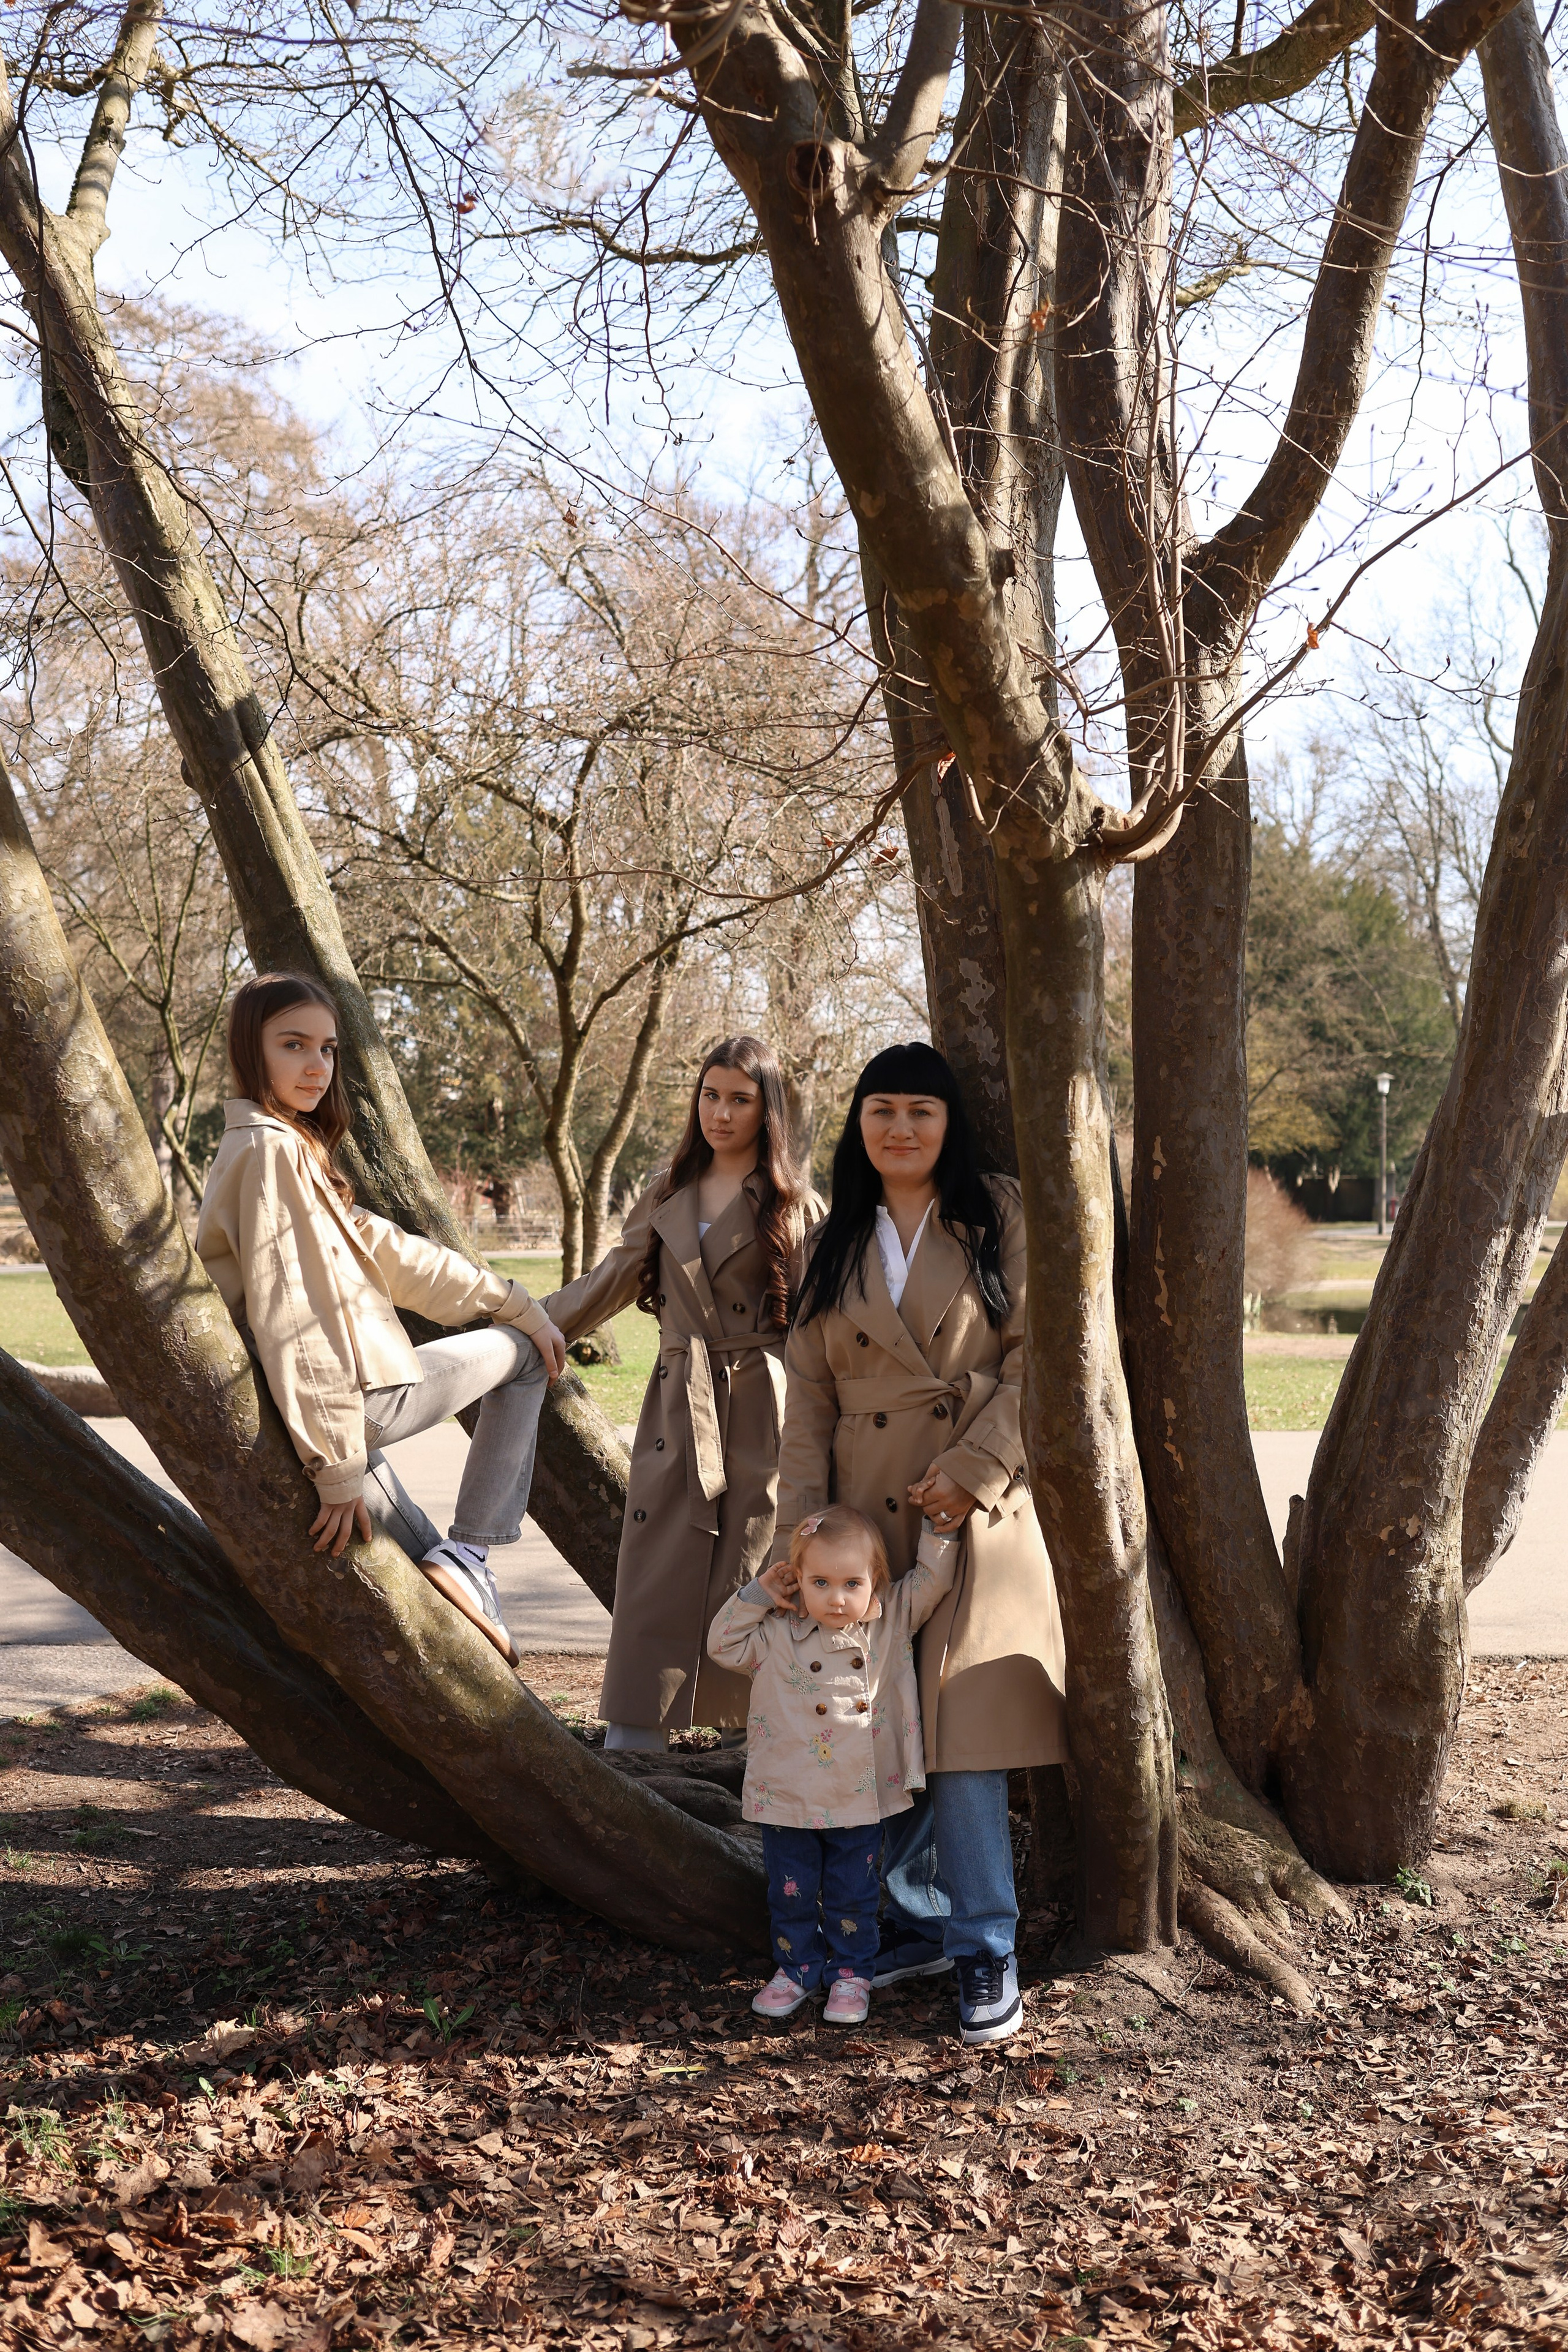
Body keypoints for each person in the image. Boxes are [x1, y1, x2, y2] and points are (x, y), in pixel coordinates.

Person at [773, 1039, 1067, 2046]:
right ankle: (915, 1922)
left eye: (920, 1111)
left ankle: (990, 1947)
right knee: (872, 1724)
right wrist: (800, 1532)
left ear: (950, 1124)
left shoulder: (998, 1211)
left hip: (978, 1504)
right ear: (859, 1125)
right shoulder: (831, 1236)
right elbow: (808, 1396)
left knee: (967, 1734)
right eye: (880, 1110)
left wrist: (976, 1467)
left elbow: (1045, 1357)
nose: (899, 1128)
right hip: (863, 1512)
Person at [197, 973, 568, 1663]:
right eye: (293, 1045)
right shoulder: (270, 1153)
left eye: (329, 1049)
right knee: (521, 1356)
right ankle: (479, 1546)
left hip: (328, 1420)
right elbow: (292, 1319)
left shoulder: (286, 1149)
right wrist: (336, 1465)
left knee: (437, 1568)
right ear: (252, 1052)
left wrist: (511, 1298)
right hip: (346, 1415)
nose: (317, 1065)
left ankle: (475, 1623)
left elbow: (398, 1256)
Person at [545, 1038, 815, 1752]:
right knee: (656, 1565)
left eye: (740, 1099)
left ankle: (747, 1747)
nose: (721, 1113)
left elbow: (819, 1328)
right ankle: (636, 1737)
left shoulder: (794, 1203)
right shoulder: (668, 1191)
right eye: (710, 1095)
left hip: (761, 1403)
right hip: (677, 1403)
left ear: (768, 1110)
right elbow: (614, 1276)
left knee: (754, 1562)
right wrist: (532, 1324)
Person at [708, 1502, 959, 2026]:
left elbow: (932, 1581)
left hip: (858, 1793)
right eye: (820, 1582)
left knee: (854, 1892)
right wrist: (758, 1594)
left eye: (852, 1583)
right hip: (790, 1793)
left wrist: (941, 1527)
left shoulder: (890, 1621)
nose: (837, 1598)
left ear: (876, 1582)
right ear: (797, 1580)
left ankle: (852, 1974)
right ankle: (796, 1968)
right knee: (789, 1890)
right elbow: (721, 1644)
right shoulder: (776, 1633)